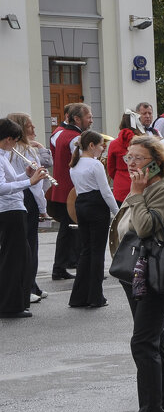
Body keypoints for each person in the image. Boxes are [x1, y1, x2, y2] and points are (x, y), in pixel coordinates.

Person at [116, 135, 164, 412]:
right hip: (139, 271)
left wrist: (135, 193)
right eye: (128, 157)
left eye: (138, 158)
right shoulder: (145, 188)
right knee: (155, 341)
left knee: (143, 342)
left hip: (160, 271)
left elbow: (144, 227)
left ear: (156, 163)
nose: (131, 163)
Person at [0, 118, 49, 318]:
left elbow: (11, 180)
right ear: (8, 139)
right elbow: (1, 188)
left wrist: (26, 175)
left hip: (14, 209)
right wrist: (30, 182)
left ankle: (16, 302)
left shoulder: (4, 155)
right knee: (13, 260)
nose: (15, 145)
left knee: (21, 258)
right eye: (15, 140)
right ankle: (10, 306)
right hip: (9, 211)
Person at [67, 130, 118, 309]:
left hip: (81, 204)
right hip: (96, 206)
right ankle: (96, 297)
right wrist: (117, 212)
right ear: (91, 146)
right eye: (101, 145)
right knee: (97, 252)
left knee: (86, 251)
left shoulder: (74, 165)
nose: (103, 148)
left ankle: (78, 297)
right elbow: (106, 192)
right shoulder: (95, 165)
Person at [47, 101, 91, 280]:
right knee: (74, 230)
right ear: (77, 119)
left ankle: (61, 267)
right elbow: (80, 164)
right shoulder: (75, 138)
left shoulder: (61, 134)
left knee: (68, 231)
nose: (91, 120)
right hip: (72, 191)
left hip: (62, 189)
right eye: (88, 117)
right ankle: (73, 267)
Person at [106, 111, 139, 204]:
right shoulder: (141, 142)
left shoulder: (114, 144)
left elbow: (111, 168)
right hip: (138, 183)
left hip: (120, 186)